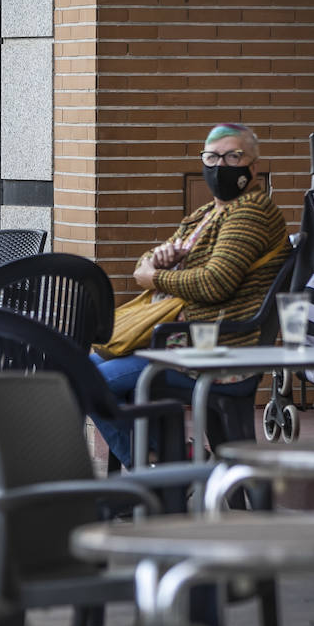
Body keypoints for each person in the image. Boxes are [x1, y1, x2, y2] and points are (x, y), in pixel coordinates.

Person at [90, 123, 288, 469]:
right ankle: (169, 459)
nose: (220, 166)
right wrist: (156, 266)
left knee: (91, 381)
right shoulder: (206, 214)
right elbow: (144, 265)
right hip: (179, 342)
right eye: (211, 157)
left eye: (233, 157)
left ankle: (162, 466)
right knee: (84, 366)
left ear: (253, 167)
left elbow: (215, 283)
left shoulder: (251, 212)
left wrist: (157, 276)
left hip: (217, 350)